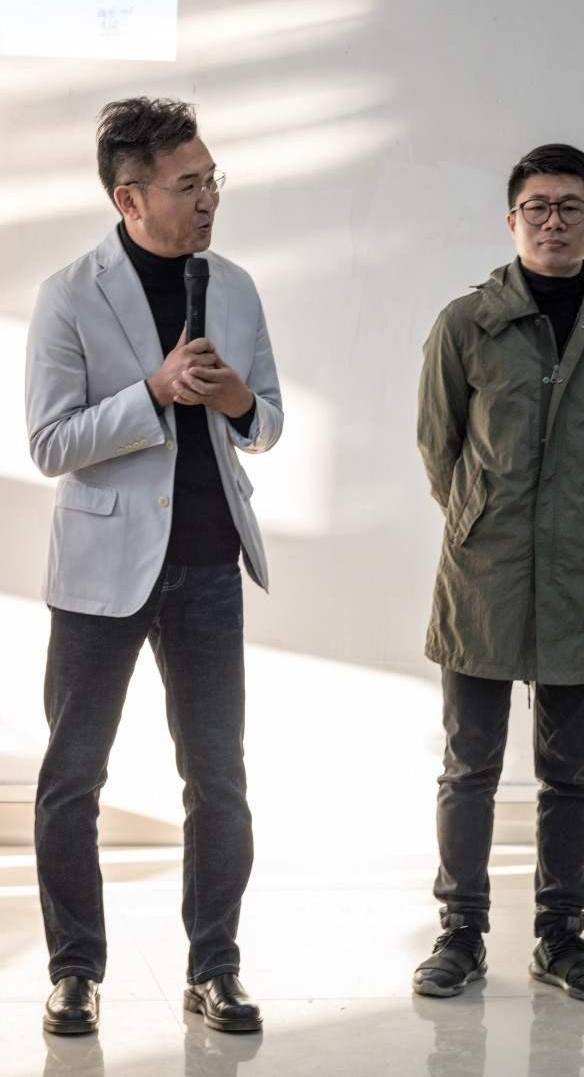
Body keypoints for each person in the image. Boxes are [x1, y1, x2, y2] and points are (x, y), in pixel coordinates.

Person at [25, 97, 283, 1035]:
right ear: (129, 199)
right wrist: (153, 393)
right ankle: (75, 971)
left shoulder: (237, 287)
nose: (209, 198)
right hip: (102, 572)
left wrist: (240, 401)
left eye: (213, 179)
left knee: (219, 778)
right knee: (73, 778)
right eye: (189, 184)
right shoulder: (70, 293)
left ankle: (215, 968)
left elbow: (268, 422)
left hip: (210, 564)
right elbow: (50, 442)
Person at [414, 144, 584, 1003]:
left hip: (579, 578)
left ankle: (561, 937)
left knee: (570, 774)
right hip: (481, 574)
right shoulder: (466, 323)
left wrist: (575, 523)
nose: (553, 220)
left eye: (570, 206)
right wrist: (484, 519)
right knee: (468, 767)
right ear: (512, 219)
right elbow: (439, 446)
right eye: (538, 206)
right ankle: (461, 933)